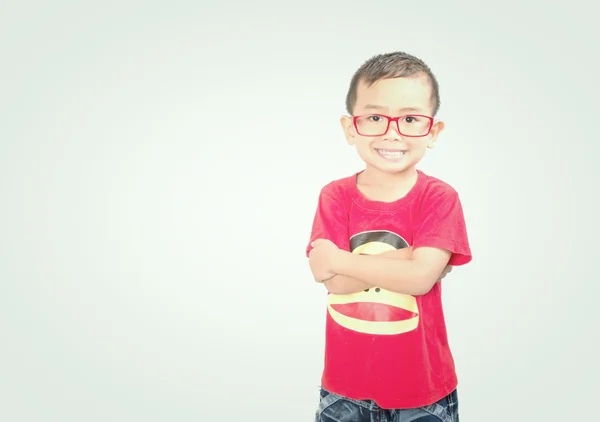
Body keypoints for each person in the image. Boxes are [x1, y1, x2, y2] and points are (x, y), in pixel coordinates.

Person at [306, 51, 473, 422]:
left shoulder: (439, 198)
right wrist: (410, 258)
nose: (392, 132)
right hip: (344, 388)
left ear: (432, 131)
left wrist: (339, 259)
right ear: (351, 128)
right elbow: (330, 281)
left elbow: (419, 279)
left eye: (410, 118)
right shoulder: (334, 196)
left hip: (423, 392)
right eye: (376, 117)